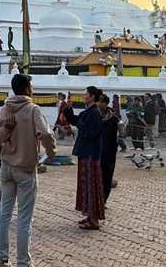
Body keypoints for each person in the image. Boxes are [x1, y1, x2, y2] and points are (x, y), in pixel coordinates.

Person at [0, 74, 56, 267]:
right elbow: (46, 134)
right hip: (26, 169)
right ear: (27, 89)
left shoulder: (5, 109)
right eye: (31, 86)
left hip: (6, 167)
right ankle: (23, 262)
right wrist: (51, 151)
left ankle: (2, 259)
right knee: (24, 218)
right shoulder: (33, 110)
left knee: (4, 214)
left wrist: (6, 130)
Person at [64, 86, 105, 230]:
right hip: (85, 153)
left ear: (92, 96)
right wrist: (69, 109)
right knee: (86, 185)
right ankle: (89, 215)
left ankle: (94, 220)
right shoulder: (89, 111)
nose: (84, 96)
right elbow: (75, 120)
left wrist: (81, 124)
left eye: (86, 94)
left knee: (91, 185)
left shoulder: (94, 113)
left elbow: (91, 133)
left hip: (90, 154)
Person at [98, 94, 120, 204]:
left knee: (107, 176)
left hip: (109, 151)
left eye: (101, 102)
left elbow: (114, 135)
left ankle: (104, 199)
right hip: (96, 150)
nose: (99, 104)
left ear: (106, 104)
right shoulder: (94, 116)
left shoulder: (113, 118)